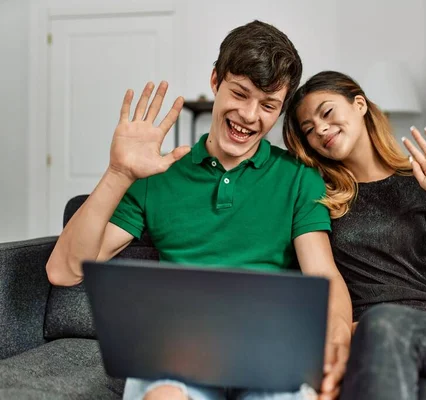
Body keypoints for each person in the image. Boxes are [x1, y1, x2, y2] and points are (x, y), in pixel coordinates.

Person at [45, 23, 352, 400]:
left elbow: (324, 275)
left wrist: (337, 344)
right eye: (240, 93)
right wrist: (119, 173)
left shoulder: (299, 180)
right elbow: (63, 270)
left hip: (268, 354)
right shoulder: (157, 174)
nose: (250, 115)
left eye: (268, 106)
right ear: (215, 80)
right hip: (178, 353)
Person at [282, 70, 426, 400]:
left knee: (383, 322)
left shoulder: (421, 182)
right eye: (308, 130)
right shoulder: (320, 200)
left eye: (326, 113)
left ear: (359, 104)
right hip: (370, 354)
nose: (320, 129)